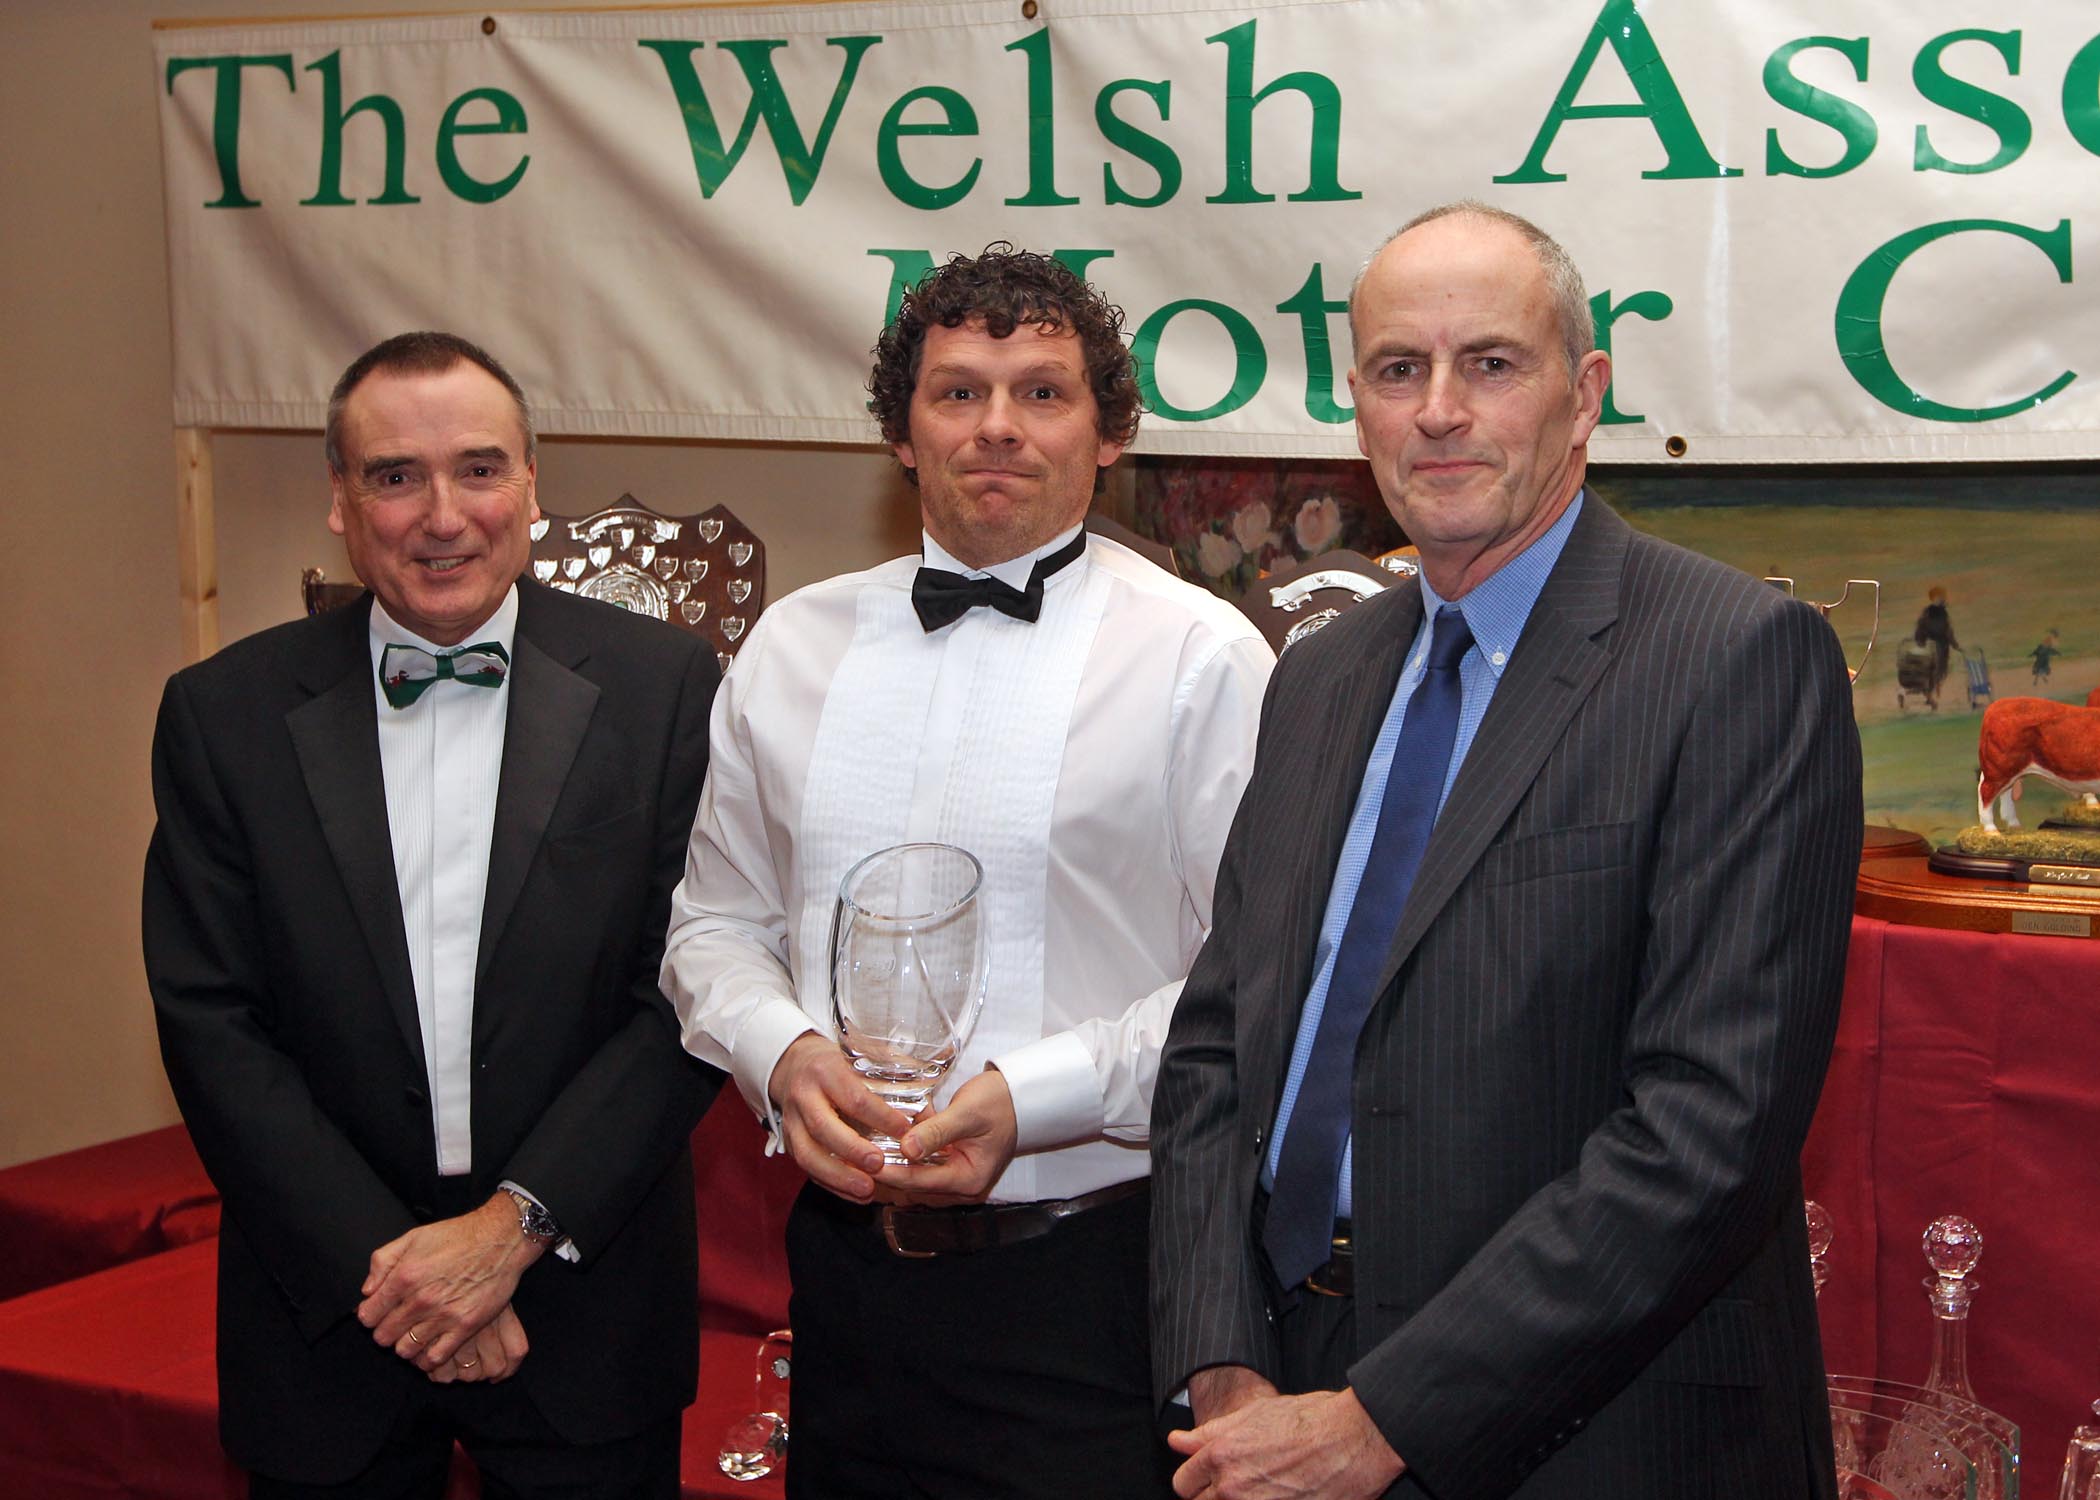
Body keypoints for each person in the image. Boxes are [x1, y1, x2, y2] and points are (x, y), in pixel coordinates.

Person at [1150, 203, 1862, 1500]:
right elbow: (1214, 1048)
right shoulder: (1318, 679)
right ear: (1358, 407)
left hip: (1589, 1435)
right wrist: (1220, 1360)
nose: (1438, 411)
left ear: (1584, 396)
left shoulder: (1736, 660)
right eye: (1397, 369)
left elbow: (1709, 1130)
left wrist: (1387, 1420)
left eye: (1490, 363)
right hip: (1283, 1392)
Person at [660, 245, 1273, 1498]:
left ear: (1108, 435)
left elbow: (1254, 983)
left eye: (1042, 392)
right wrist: (782, 1053)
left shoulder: (1203, 659)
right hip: (844, 1283)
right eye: (958, 392)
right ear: (902, 432)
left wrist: (1030, 1098)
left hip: (1094, 1282)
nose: (998, 425)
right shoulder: (789, 647)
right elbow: (712, 925)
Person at [144, 331, 723, 1497]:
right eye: (396, 476)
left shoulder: (668, 689)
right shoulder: (224, 713)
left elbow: (690, 986)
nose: (442, 515)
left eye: (479, 469)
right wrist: (403, 1282)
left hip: (584, 1303)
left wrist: (510, 1234)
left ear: (531, 485)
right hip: (330, 1317)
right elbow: (211, 1021)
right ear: (340, 502)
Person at [1914, 585, 1960, 708]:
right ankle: (1930, 694)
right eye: (1940, 597)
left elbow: (1947, 630)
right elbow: (1923, 627)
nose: (1943, 598)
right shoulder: (1932, 612)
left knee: (1940, 671)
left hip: (1940, 646)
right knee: (1936, 671)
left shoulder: (1940, 612)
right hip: (1935, 646)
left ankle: (1931, 692)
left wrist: (1954, 644)